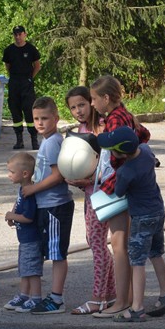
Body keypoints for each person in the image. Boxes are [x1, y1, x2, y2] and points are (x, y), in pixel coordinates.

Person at [89, 75, 151, 318]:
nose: (92, 104)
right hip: (125, 183)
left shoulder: (115, 119)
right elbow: (144, 135)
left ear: (106, 98)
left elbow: (116, 155)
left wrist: (117, 164)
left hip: (118, 186)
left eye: (94, 99)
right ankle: (126, 299)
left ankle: (121, 301)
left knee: (118, 246)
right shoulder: (125, 113)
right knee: (120, 244)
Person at [98, 127, 165, 322]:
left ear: (119, 153)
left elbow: (120, 192)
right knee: (156, 253)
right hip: (158, 211)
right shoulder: (146, 152)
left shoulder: (125, 171)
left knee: (137, 261)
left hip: (141, 217)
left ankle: (137, 307)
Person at [64, 86, 116, 315]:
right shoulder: (81, 129)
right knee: (95, 242)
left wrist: (88, 179)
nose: (78, 110)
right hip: (89, 195)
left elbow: (111, 165)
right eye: (73, 107)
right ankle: (112, 294)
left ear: (92, 102)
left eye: (82, 104)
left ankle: (97, 298)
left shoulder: (103, 127)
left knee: (97, 244)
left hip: (105, 193)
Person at [22, 96, 75, 314]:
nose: (40, 123)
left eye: (45, 118)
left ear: (56, 118)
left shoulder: (53, 142)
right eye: (36, 119)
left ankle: (56, 299)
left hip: (55, 205)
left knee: (56, 253)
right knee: (51, 251)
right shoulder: (47, 141)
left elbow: (58, 175)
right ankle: (46, 296)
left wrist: (33, 189)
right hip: (47, 205)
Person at [3, 152, 44, 312]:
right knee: (24, 268)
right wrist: (13, 213)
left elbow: (28, 217)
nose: (9, 175)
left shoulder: (29, 192)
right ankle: (24, 295)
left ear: (25, 174)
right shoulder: (22, 190)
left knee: (32, 270)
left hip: (32, 239)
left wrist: (12, 215)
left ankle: (35, 298)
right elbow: (18, 204)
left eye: (12, 172)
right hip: (24, 239)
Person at [3, 25, 41, 150]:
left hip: (27, 83)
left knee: (29, 110)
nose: (18, 37)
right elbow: (8, 66)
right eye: (16, 34)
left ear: (25, 34)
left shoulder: (31, 49)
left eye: (20, 34)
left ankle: (34, 139)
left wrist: (30, 77)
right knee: (15, 111)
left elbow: (37, 66)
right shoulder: (9, 50)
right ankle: (19, 140)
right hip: (14, 82)